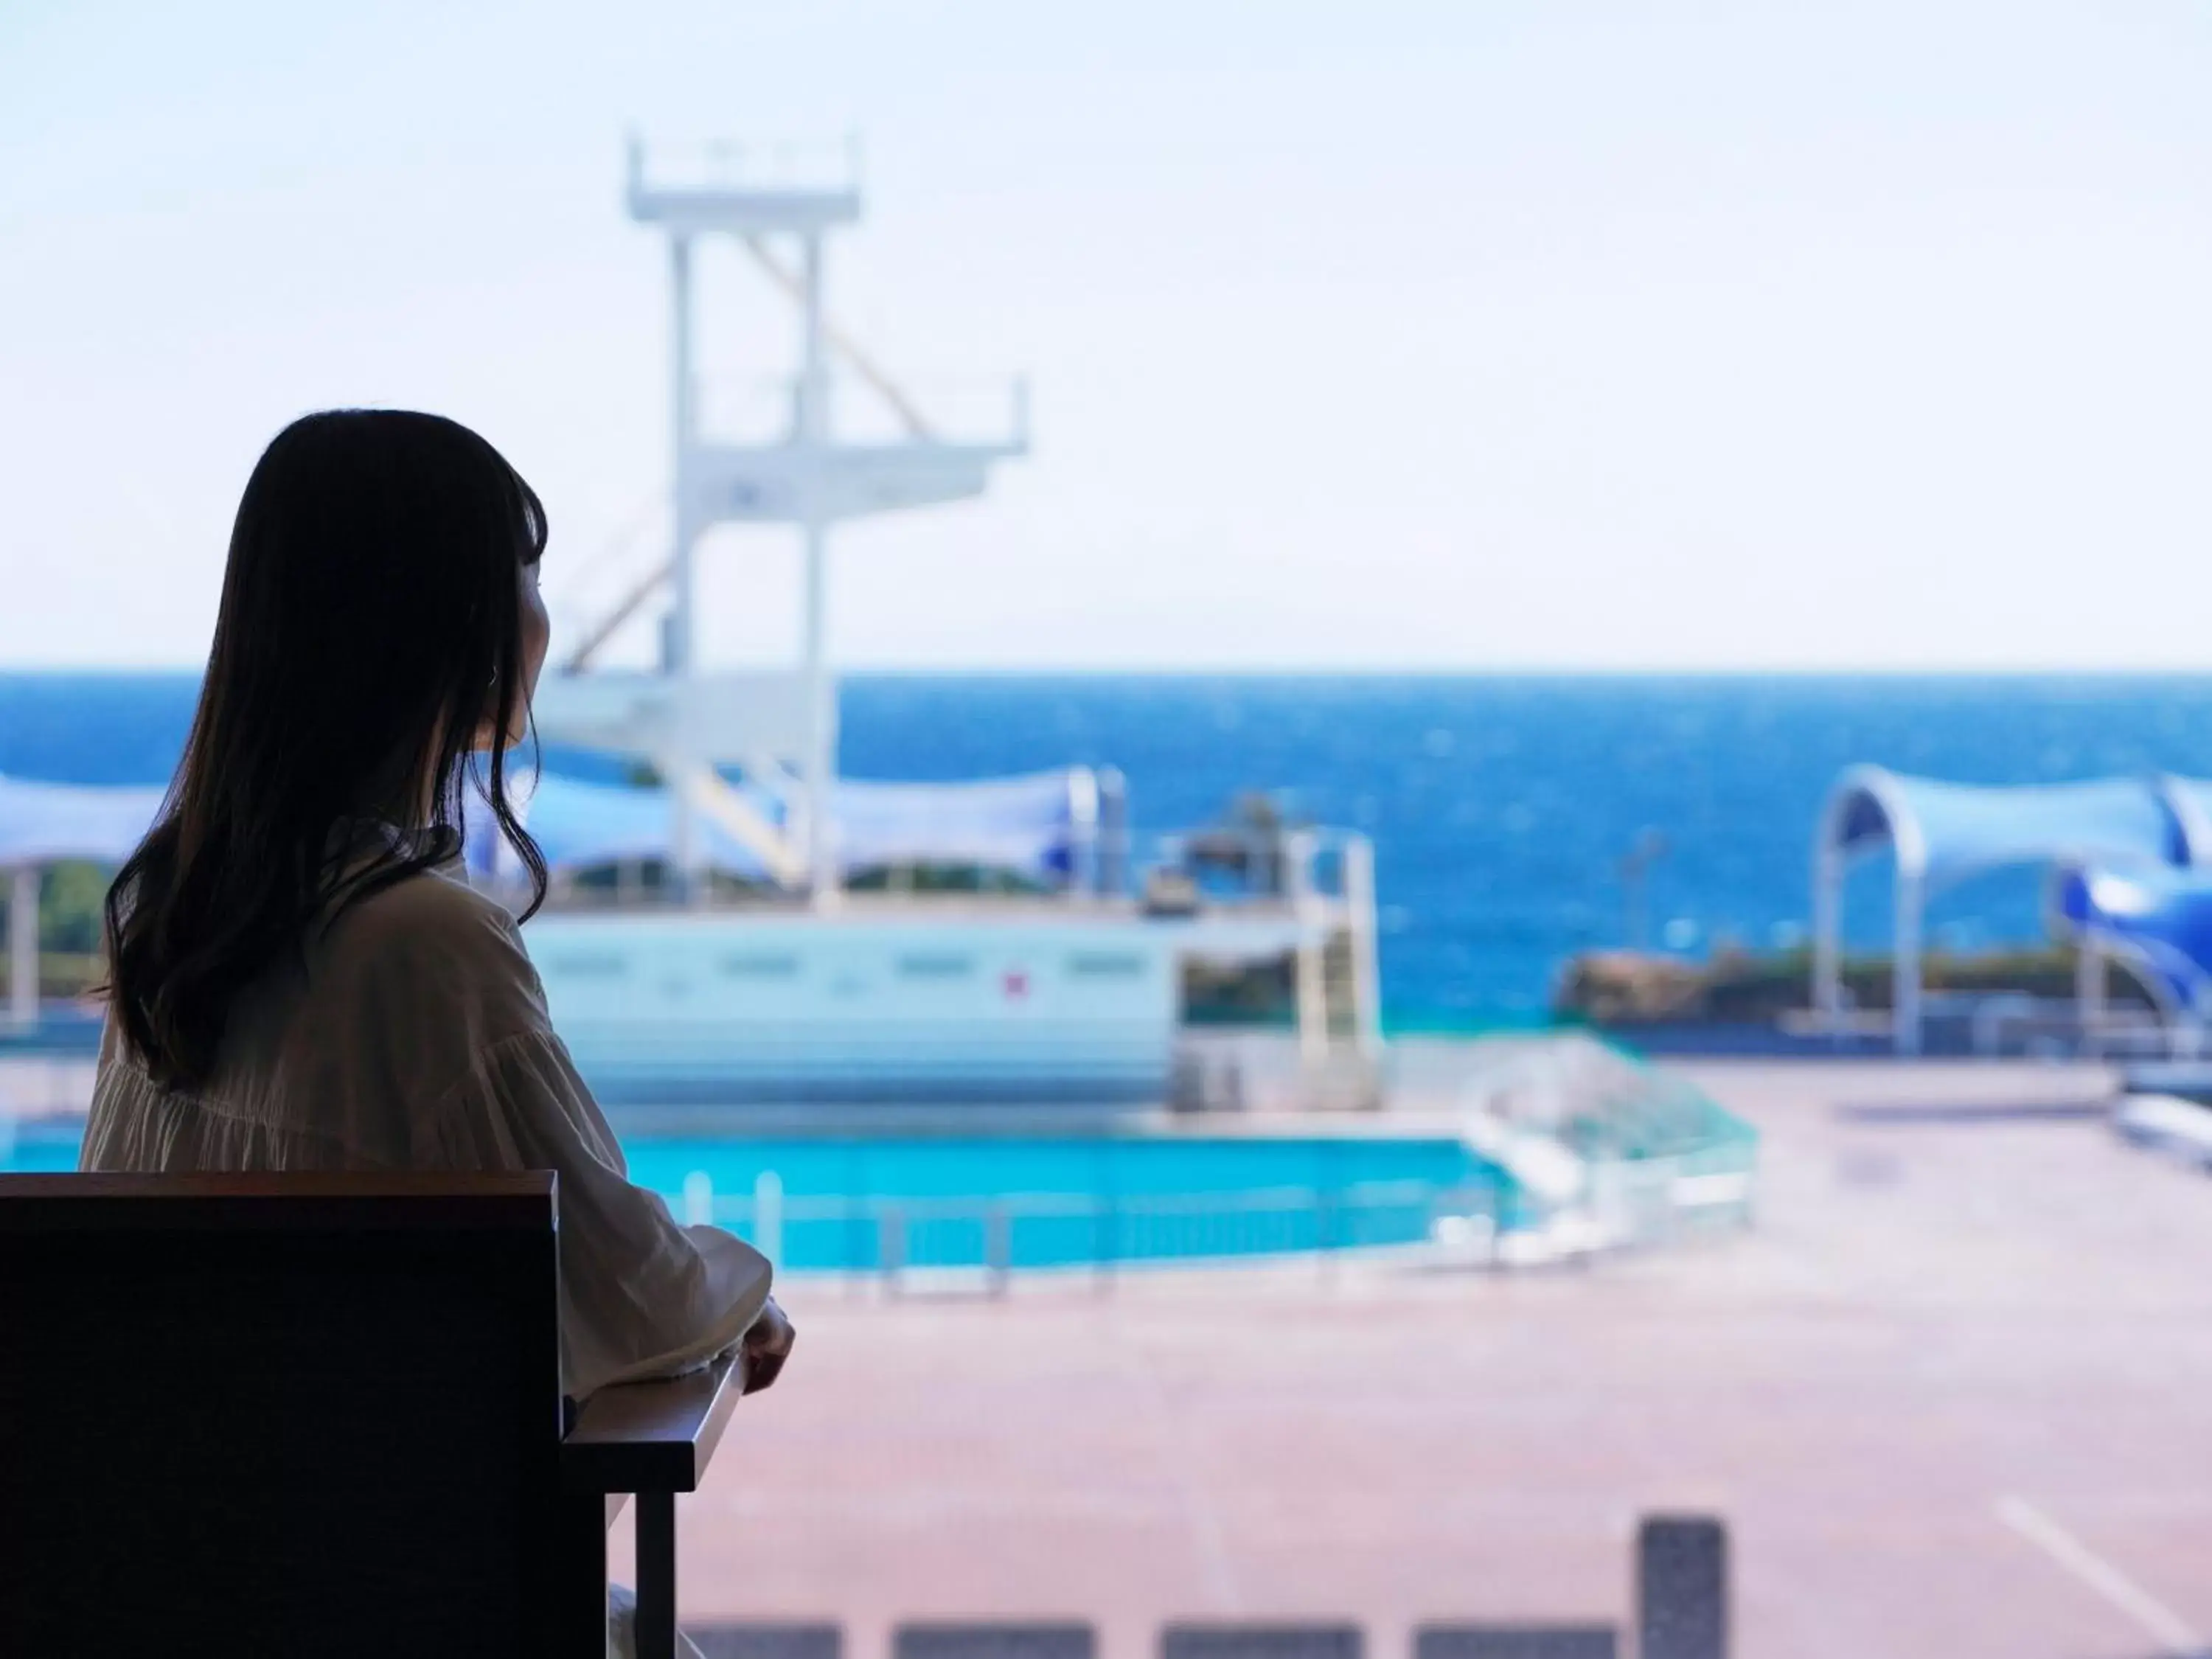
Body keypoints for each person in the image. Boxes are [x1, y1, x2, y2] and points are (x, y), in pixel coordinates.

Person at [80, 408, 791, 1654]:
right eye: (521, 577)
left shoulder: (166, 914)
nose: (540, 616)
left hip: (177, 1594)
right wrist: (747, 1305)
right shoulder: (423, 947)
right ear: (429, 620)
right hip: (406, 1600)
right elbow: (635, 1293)